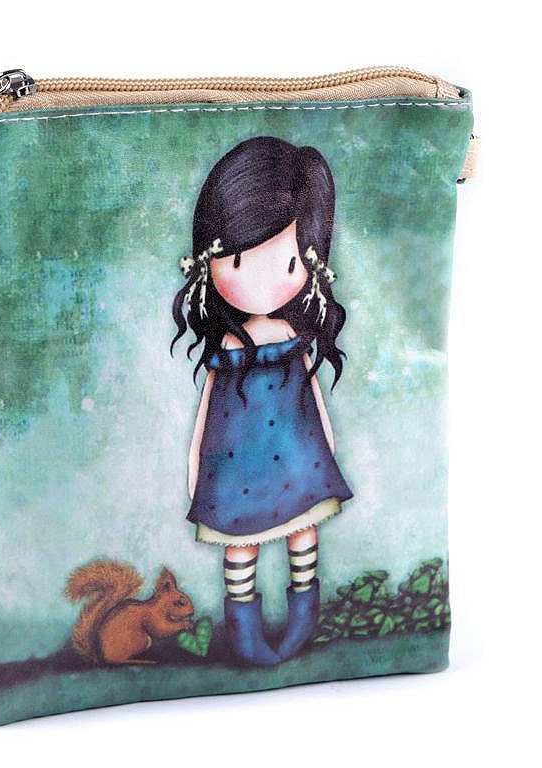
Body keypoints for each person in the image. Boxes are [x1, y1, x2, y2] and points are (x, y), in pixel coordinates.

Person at [170, 136, 354, 665]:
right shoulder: (228, 346)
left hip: (298, 453)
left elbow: (311, 393)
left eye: (288, 263)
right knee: (240, 539)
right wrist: (195, 464)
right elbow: (208, 409)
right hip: (236, 462)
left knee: (302, 531)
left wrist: (328, 445)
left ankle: (303, 619)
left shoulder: (291, 337)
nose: (260, 280)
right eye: (238, 260)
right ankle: (244, 632)